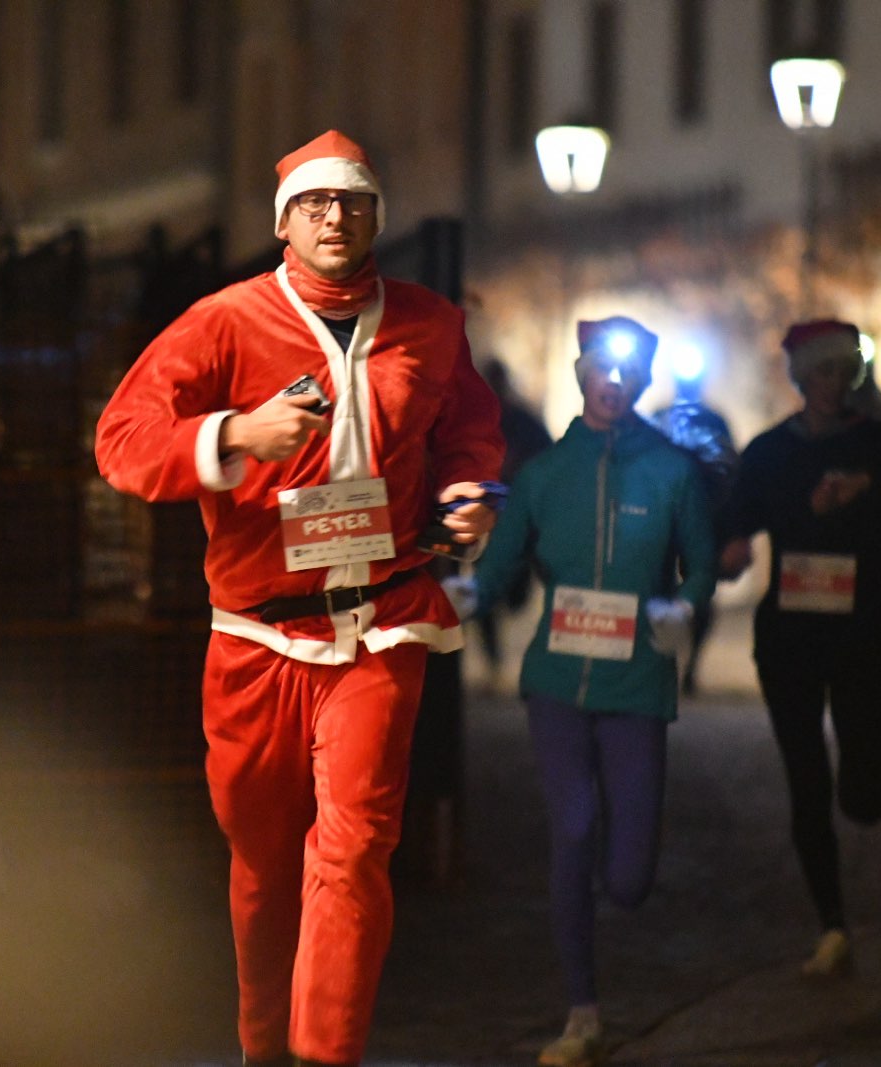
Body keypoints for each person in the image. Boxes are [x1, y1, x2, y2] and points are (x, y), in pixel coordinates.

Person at [94, 130, 503, 1067]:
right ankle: (260, 1046)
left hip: (383, 621)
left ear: (375, 219)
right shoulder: (226, 321)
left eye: (353, 203)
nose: (334, 218)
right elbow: (121, 437)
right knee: (263, 866)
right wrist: (236, 430)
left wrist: (469, 497)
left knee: (355, 850)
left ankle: (326, 1057)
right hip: (256, 638)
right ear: (284, 223)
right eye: (315, 204)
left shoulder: (432, 322)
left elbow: (471, 436)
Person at [457, 316, 715, 1066]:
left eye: (628, 371)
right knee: (570, 830)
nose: (613, 381)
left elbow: (699, 562)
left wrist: (684, 605)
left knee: (629, 878)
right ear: (580, 371)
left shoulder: (672, 470)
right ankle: (582, 1012)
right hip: (557, 683)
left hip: (637, 682)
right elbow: (501, 563)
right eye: (601, 367)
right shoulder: (542, 474)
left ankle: (617, 883)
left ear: (642, 381)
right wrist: (469, 592)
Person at [717, 320, 881, 981]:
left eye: (838, 370)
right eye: (815, 372)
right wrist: (731, 550)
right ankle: (832, 926)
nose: (827, 383)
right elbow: (737, 521)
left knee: (862, 798)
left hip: (867, 633)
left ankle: (879, 773)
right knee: (805, 781)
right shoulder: (769, 452)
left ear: (850, 376)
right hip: (790, 637)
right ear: (798, 379)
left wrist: (871, 486)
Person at [650, 364, 737, 695]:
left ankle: (691, 666)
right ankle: (665, 660)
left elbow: (729, 470)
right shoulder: (659, 417)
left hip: (703, 514)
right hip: (662, 516)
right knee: (659, 587)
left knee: (700, 590)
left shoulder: (714, 422)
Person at [470, 358, 552, 675]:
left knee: (516, 589)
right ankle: (493, 658)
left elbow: (545, 458)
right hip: (486, 516)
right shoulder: (474, 421)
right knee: (484, 588)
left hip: (518, 514)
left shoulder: (522, 421)